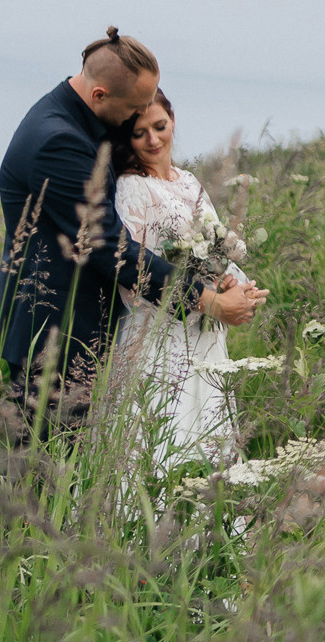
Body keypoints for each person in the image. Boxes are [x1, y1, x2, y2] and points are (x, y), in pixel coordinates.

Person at [0, 28, 263, 427]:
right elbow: (109, 249)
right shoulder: (59, 142)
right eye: (135, 109)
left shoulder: (69, 114)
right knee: (49, 469)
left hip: (83, 326)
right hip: (56, 332)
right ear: (100, 95)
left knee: (70, 469)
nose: (140, 117)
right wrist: (206, 300)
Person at [106, 89, 261, 469]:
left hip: (206, 337)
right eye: (140, 133)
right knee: (161, 444)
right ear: (127, 139)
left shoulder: (189, 182)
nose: (154, 139)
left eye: (160, 126)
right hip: (160, 337)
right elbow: (133, 276)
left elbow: (214, 249)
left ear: (172, 121)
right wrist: (203, 301)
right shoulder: (131, 188)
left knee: (208, 441)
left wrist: (230, 285)